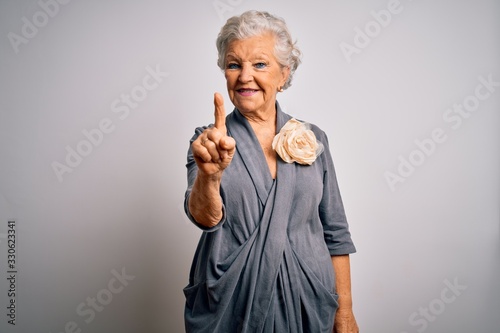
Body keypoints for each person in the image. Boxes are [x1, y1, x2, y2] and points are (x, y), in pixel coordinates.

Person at [183, 10, 358, 333]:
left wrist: (344, 311)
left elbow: (335, 231)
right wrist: (210, 175)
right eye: (234, 64)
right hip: (231, 298)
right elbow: (204, 218)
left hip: (307, 298)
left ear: (284, 75)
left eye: (259, 64)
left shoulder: (313, 139)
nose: (245, 76)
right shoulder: (206, 142)